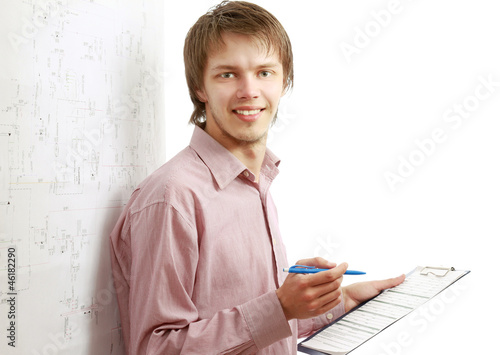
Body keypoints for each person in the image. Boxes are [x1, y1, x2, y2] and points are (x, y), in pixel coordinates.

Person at [109, 1, 405, 354]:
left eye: (265, 72)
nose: (249, 91)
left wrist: (332, 304)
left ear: (284, 83)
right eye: (227, 74)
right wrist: (280, 306)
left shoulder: (256, 185)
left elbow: (251, 330)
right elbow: (155, 348)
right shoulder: (173, 197)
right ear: (200, 88)